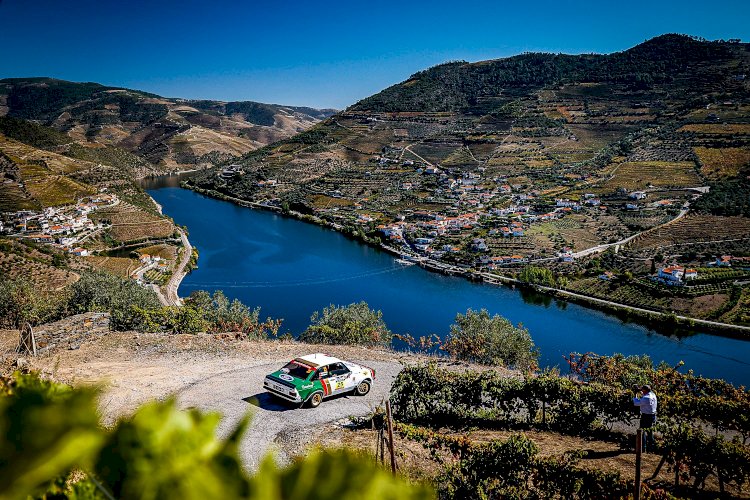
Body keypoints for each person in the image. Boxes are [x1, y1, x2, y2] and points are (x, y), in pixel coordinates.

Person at [633, 384, 657, 452]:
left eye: (642, 390)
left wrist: (635, 394)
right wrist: (640, 390)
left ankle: (643, 448)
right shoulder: (653, 394)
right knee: (650, 432)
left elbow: (636, 403)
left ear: (645, 390)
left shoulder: (646, 398)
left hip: (646, 416)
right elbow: (644, 394)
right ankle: (651, 448)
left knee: (642, 431)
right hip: (652, 415)